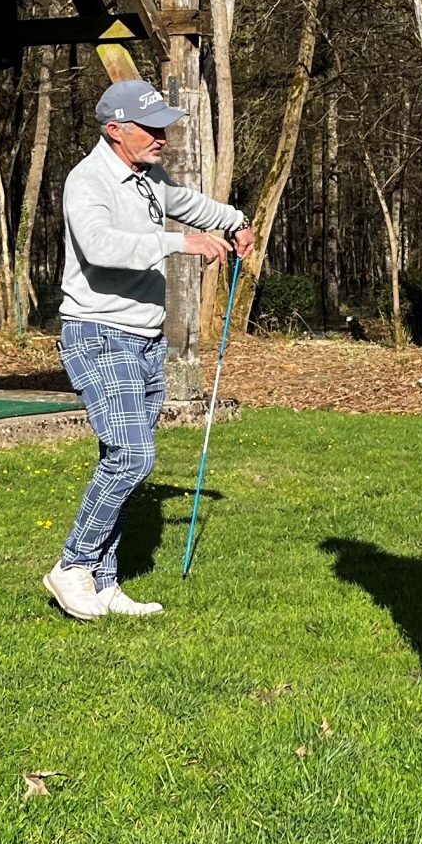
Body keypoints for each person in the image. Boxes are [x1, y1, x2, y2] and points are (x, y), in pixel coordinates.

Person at [45, 75, 254, 622]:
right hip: (98, 333)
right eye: (151, 127)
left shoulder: (149, 177)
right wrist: (180, 243)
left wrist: (236, 221)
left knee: (120, 460)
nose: (163, 136)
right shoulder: (87, 180)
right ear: (116, 130)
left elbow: (188, 203)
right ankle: (72, 565)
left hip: (145, 340)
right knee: (133, 456)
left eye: (164, 126)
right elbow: (100, 246)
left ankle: (104, 582)